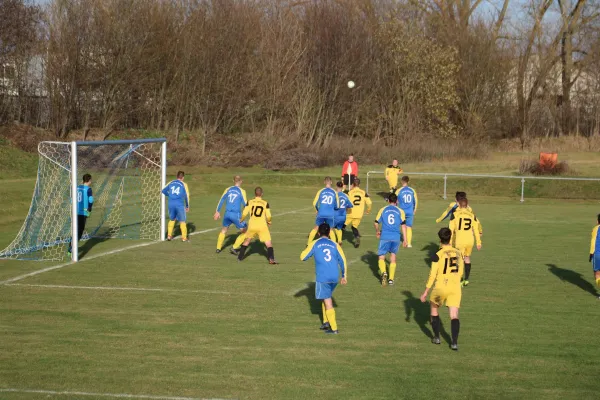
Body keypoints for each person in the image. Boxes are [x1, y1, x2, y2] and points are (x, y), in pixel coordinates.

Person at [419, 228, 464, 351]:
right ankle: (454, 343)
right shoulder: (459, 253)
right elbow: (460, 272)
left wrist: (425, 292)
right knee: (454, 315)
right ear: (450, 238)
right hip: (455, 288)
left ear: (440, 240)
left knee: (434, 309)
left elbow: (432, 275)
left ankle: (437, 337)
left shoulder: (437, 255)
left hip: (440, 287)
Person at [300, 223, 348, 334]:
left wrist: (307, 247)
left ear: (318, 233)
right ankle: (326, 322)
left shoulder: (315, 243)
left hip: (323, 276)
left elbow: (303, 257)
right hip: (334, 276)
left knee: (327, 301)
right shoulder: (335, 244)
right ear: (329, 233)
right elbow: (343, 260)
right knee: (326, 296)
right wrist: (344, 276)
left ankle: (334, 328)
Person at [374, 193, 408, 286]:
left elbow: (376, 222)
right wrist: (405, 240)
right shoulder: (400, 211)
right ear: (396, 201)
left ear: (388, 201)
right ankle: (391, 279)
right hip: (396, 237)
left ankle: (384, 272)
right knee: (393, 257)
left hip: (385, 236)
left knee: (381, 256)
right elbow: (404, 226)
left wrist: (377, 231)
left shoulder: (383, 209)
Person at [237, 187, 277, 264]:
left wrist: (241, 220)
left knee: (247, 241)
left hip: (252, 226)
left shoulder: (249, 202)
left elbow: (245, 213)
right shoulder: (265, 203)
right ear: (262, 194)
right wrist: (269, 222)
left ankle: (240, 258)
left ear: (255, 194)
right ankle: (271, 259)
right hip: (262, 226)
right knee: (268, 243)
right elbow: (268, 216)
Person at [449, 197, 481, 287]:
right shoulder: (472, 215)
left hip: (460, 240)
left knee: (458, 259)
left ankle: (459, 280)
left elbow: (450, 229)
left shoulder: (455, 214)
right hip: (470, 240)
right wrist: (479, 242)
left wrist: (450, 241)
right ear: (467, 205)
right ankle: (466, 279)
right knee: (467, 258)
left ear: (458, 204)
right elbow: (476, 230)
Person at [214, 175, 248, 254]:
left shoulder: (228, 189)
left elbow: (221, 200)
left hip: (227, 214)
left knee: (224, 230)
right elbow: (245, 204)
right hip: (236, 215)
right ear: (241, 181)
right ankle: (234, 247)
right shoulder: (242, 191)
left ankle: (218, 248)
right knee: (246, 231)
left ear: (233, 181)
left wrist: (217, 211)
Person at [307, 177, 339, 246]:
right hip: (330, 214)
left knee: (316, 227)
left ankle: (308, 244)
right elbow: (338, 205)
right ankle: (334, 245)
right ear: (331, 182)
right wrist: (334, 208)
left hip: (321, 213)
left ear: (324, 182)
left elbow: (314, 203)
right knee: (330, 229)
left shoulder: (320, 191)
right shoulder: (334, 192)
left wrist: (317, 210)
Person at [162, 171, 190, 242]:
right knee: (182, 221)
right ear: (183, 177)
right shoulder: (184, 184)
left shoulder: (171, 182)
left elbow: (163, 190)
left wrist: (169, 195)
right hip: (179, 205)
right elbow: (186, 196)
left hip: (171, 203)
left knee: (172, 219)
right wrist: (187, 206)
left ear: (176, 176)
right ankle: (184, 238)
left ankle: (169, 236)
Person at [68, 173, 94, 254]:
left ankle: (70, 247)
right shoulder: (88, 189)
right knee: (79, 231)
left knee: (75, 230)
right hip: (83, 212)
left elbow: (71, 200)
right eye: (91, 180)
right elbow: (90, 200)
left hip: (75, 211)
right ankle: (71, 248)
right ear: (89, 180)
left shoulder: (77, 187)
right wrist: (89, 210)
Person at [345, 178, 372, 248]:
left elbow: (346, 201)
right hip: (359, 214)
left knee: (342, 226)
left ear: (353, 184)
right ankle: (357, 237)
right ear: (359, 184)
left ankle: (337, 239)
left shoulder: (350, 192)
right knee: (354, 227)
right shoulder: (363, 193)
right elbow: (369, 203)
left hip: (350, 212)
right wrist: (368, 210)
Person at [396, 176, 418, 248]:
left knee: (398, 226)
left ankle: (396, 241)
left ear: (402, 181)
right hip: (410, 211)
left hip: (401, 211)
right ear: (408, 181)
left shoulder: (399, 190)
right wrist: (414, 209)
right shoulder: (412, 190)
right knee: (409, 227)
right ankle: (409, 244)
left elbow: (394, 200)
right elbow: (415, 201)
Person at [333, 181, 353, 245]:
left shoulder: (334, 195)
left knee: (330, 228)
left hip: (335, 215)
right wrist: (345, 208)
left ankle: (333, 242)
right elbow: (351, 205)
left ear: (336, 186)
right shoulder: (345, 195)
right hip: (343, 216)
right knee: (339, 228)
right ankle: (339, 241)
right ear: (342, 187)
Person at [589, 214, 600, 297]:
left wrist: (591, 254)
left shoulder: (596, 229)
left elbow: (593, 241)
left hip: (597, 254)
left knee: (597, 273)